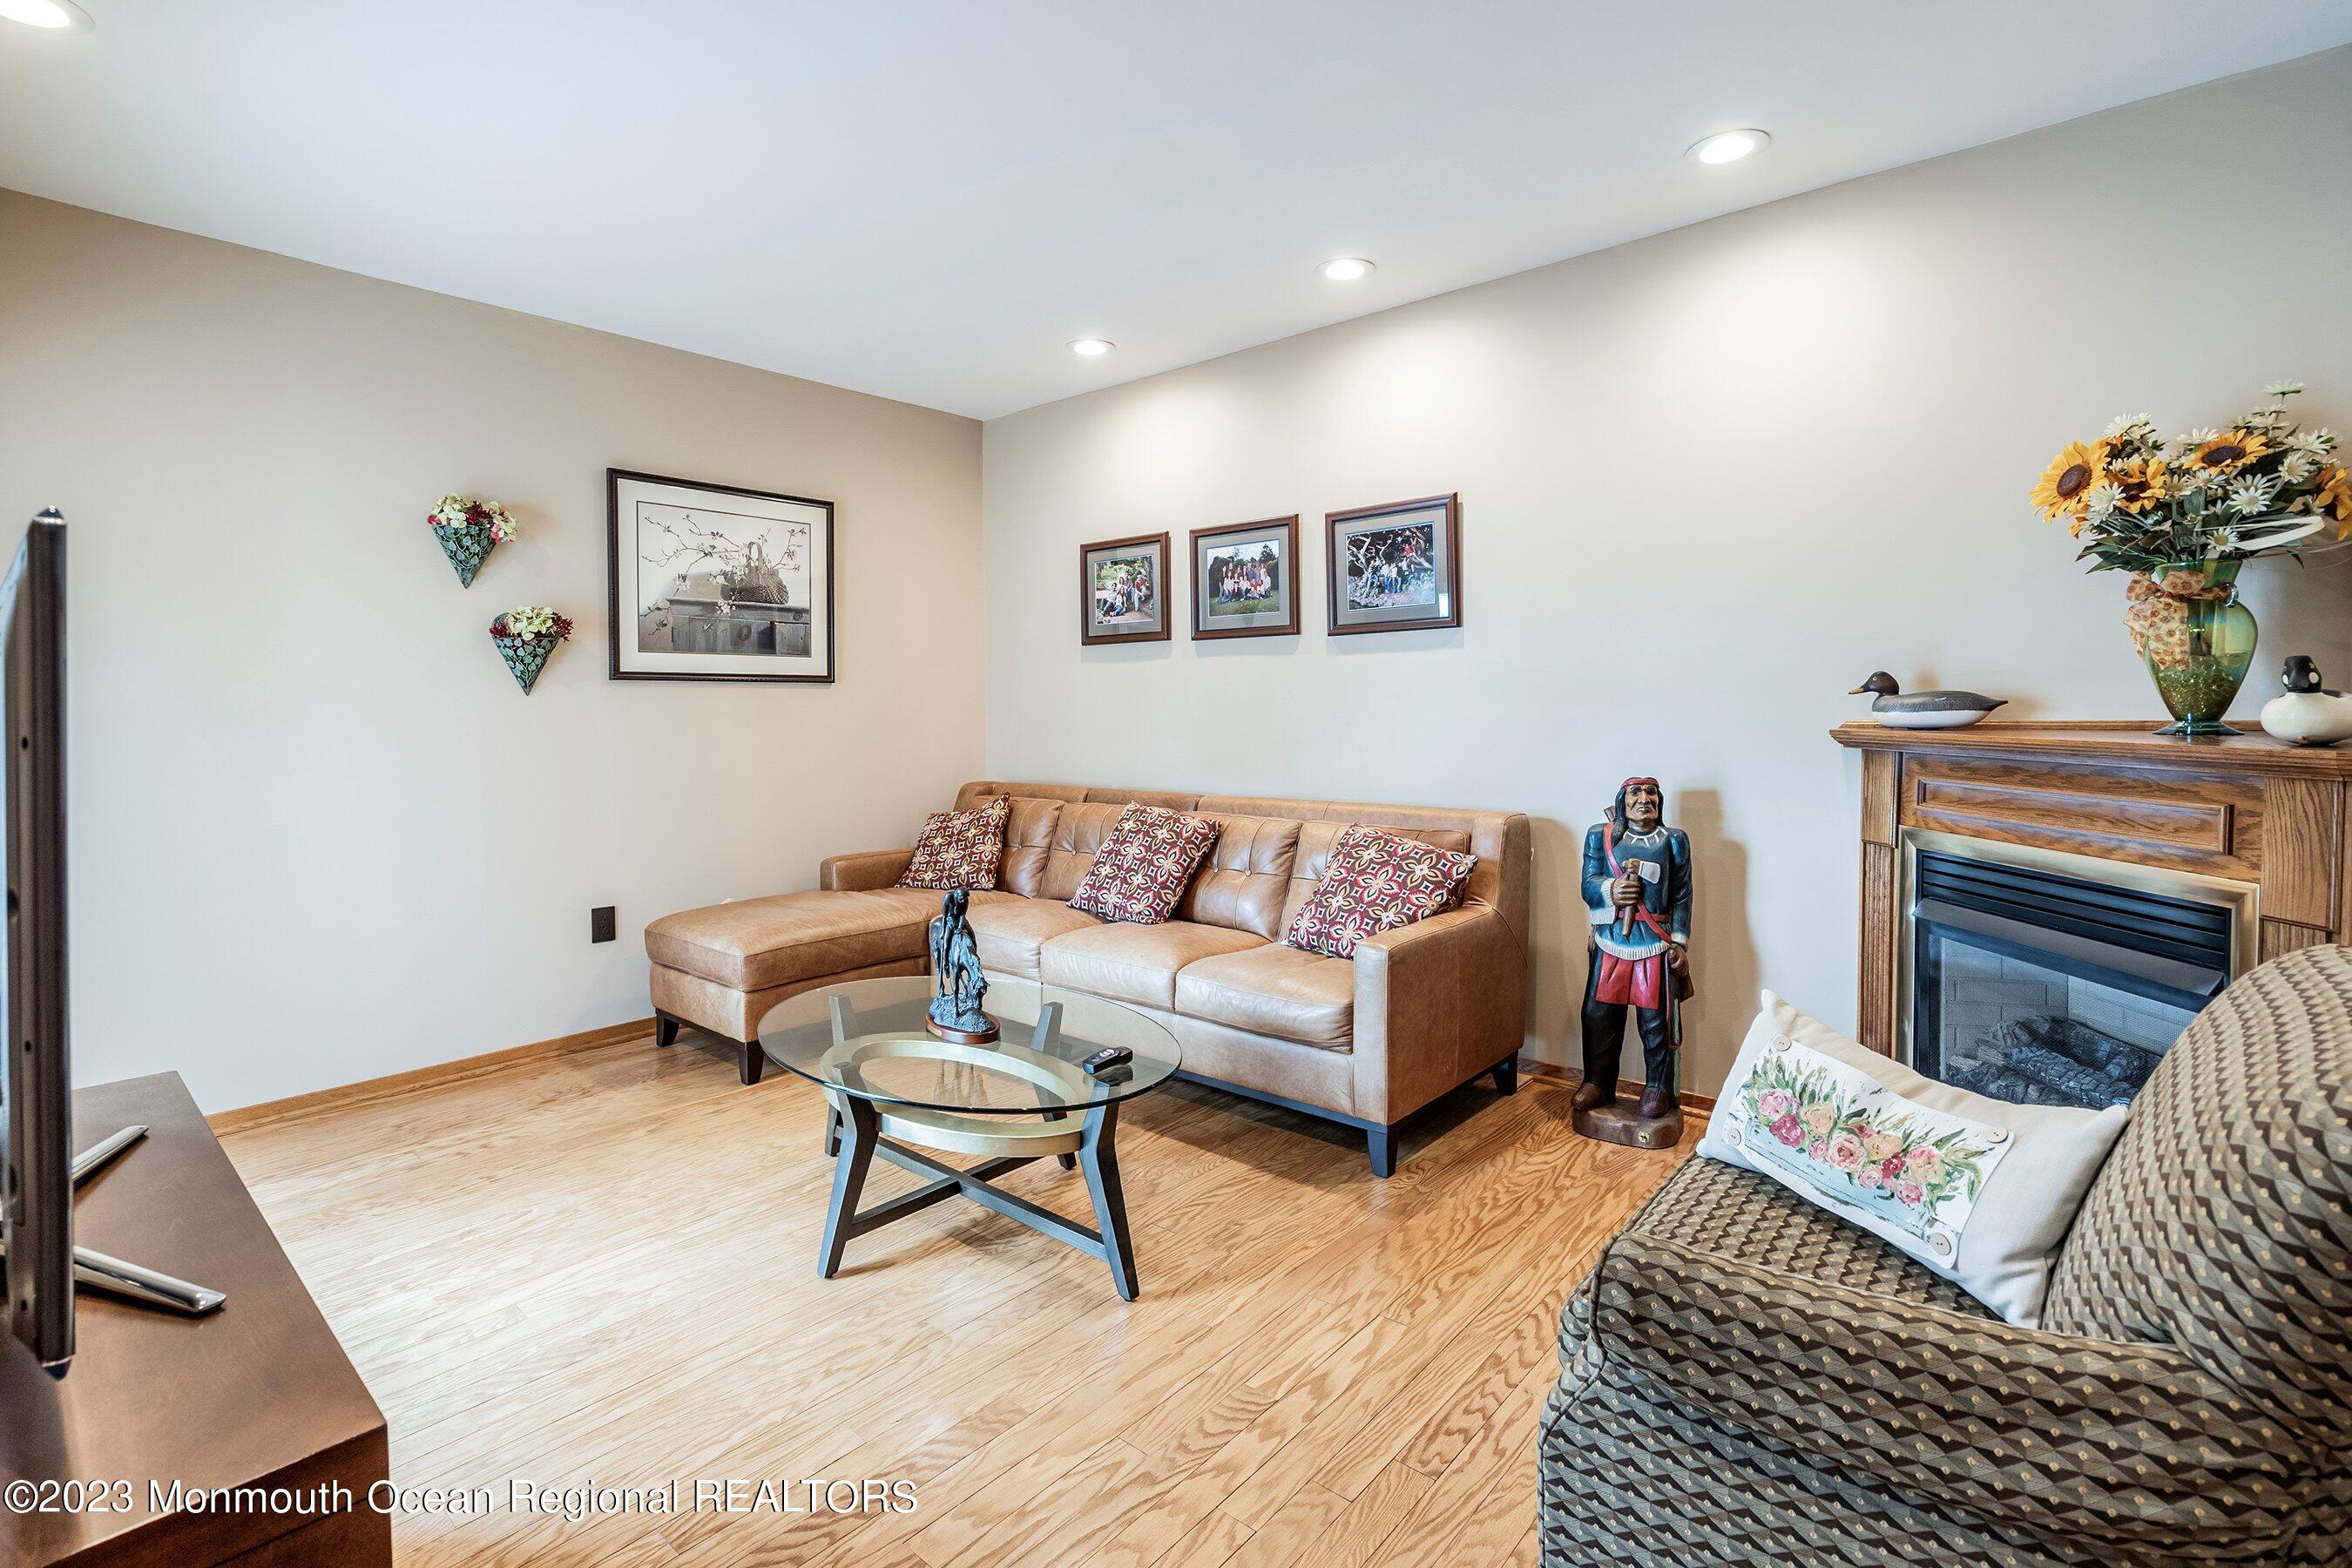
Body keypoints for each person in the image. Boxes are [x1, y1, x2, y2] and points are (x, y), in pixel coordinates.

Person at [1576, 777, 1693, 1120]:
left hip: (1654, 942)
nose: (1644, 799)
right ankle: (1597, 1081)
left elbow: (1683, 894)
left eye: (1651, 792)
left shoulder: (1673, 840)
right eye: (1636, 793)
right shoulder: (1600, 835)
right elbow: (1589, 882)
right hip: (1611, 938)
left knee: (1655, 1021)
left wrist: (1680, 942)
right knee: (1598, 1016)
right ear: (1622, 801)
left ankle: (1657, 1086)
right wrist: (1611, 890)